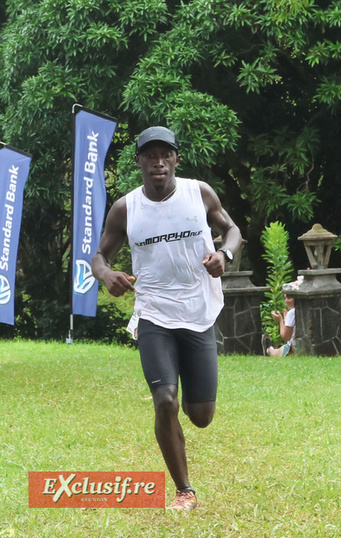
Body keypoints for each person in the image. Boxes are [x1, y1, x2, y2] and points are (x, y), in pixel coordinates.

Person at [92, 126, 242, 511]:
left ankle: (183, 427)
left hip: (198, 312)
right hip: (153, 313)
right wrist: (107, 275)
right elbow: (100, 256)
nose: (158, 162)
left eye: (165, 154)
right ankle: (184, 490)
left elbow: (232, 230)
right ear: (139, 161)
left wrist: (224, 255)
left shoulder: (199, 193)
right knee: (164, 401)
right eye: (150, 155)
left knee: (201, 416)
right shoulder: (127, 207)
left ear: (176, 159)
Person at [266, 280, 301, 356]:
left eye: (289, 298)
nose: (286, 301)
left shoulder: (292, 312)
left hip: (292, 348)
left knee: (276, 351)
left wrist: (280, 320)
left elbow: (285, 337)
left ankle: (268, 350)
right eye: (285, 298)